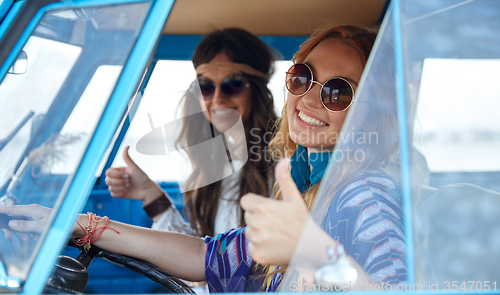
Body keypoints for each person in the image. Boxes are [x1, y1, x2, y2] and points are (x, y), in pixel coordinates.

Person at [1, 24, 406, 292]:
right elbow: (208, 256)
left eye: (339, 91)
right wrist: (80, 225)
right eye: (302, 77)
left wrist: (320, 255)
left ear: (374, 110)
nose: (310, 98)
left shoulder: (363, 193)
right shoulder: (303, 181)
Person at [105, 28, 278, 237]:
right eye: (205, 86)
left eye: (233, 84)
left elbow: (209, 259)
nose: (217, 98)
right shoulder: (215, 161)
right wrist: (150, 195)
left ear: (257, 90)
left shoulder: (282, 162)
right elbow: (204, 251)